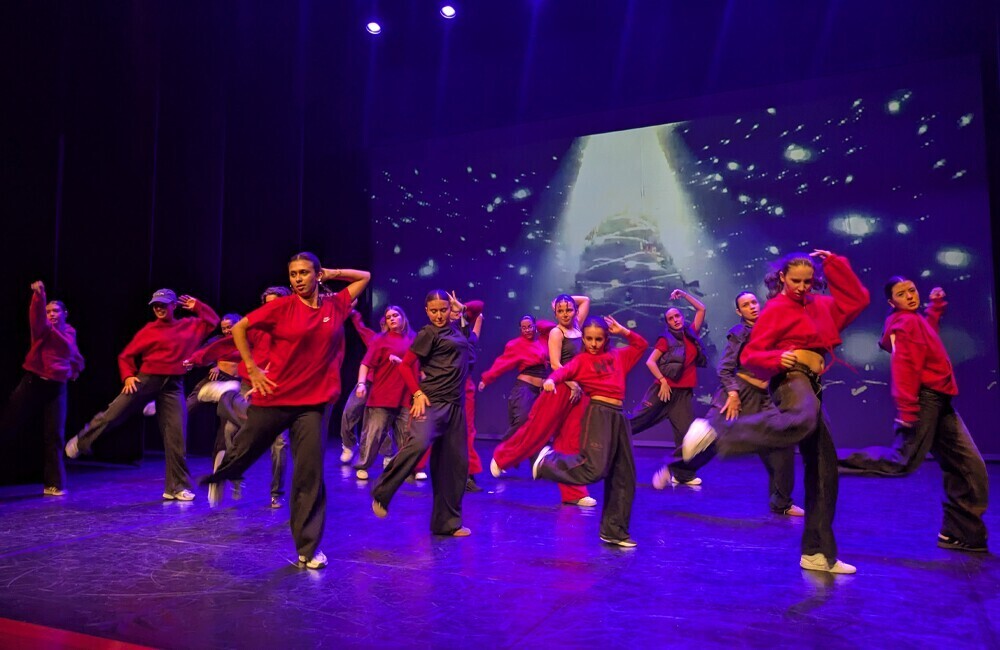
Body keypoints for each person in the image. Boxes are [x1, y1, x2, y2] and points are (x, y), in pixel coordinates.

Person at [682, 250, 869, 574]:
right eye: (796, 281)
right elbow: (752, 355)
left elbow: (857, 301)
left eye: (808, 281)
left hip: (814, 383)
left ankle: (817, 553)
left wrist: (835, 264)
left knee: (824, 469)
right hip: (791, 379)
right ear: (782, 277)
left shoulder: (819, 305)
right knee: (802, 419)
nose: (802, 287)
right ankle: (717, 431)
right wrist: (777, 358)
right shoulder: (776, 309)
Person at [200, 254, 370, 569]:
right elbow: (239, 327)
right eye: (293, 274)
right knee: (247, 447)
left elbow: (365, 276)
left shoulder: (335, 306)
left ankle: (307, 548)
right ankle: (223, 472)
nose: (298, 279)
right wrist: (251, 368)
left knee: (309, 473)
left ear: (317, 275)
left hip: (314, 403)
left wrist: (333, 272)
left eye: (304, 273)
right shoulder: (282, 306)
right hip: (277, 395)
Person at [838, 279, 988, 552]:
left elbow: (927, 338)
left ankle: (959, 533)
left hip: (940, 402)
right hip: (925, 401)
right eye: (901, 294)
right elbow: (905, 368)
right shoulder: (904, 324)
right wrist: (907, 411)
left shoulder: (914, 321)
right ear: (891, 302)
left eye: (912, 291)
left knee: (968, 466)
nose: (909, 296)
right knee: (900, 462)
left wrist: (935, 309)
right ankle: (827, 461)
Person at [66, 289, 219, 501]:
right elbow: (125, 356)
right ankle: (82, 440)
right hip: (147, 380)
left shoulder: (189, 325)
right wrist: (128, 376)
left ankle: (175, 487)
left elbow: (213, 321)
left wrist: (198, 306)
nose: (159, 308)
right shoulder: (149, 330)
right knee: (114, 413)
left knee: (176, 436)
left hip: (173, 385)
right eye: (156, 305)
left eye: (163, 304)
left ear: (174, 306)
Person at [533, 316, 648, 547]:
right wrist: (551, 380)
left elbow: (641, 345)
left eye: (598, 339)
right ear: (583, 339)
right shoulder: (582, 360)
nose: (593, 344)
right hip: (598, 414)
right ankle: (548, 462)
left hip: (618, 417)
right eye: (589, 339)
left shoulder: (618, 356)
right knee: (594, 468)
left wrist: (623, 330)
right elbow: (563, 372)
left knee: (624, 475)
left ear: (606, 339)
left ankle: (614, 532)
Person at [371, 290, 477, 536]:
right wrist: (417, 393)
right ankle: (382, 492)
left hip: (455, 406)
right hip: (432, 403)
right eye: (434, 311)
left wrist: (461, 309)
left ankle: (446, 523)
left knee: (454, 465)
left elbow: (478, 308)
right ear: (427, 312)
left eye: (443, 310)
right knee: (418, 444)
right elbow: (405, 366)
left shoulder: (458, 331)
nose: (439, 315)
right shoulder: (428, 333)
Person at [488, 294, 595, 507]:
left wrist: (562, 299)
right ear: (555, 313)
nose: (565, 314)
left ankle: (574, 493)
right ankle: (502, 457)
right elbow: (555, 364)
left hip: (578, 393)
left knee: (572, 442)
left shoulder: (578, 327)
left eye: (569, 309)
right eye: (560, 311)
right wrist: (572, 384)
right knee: (537, 430)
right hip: (561, 388)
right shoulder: (557, 332)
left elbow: (585, 300)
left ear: (575, 311)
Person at [0, 281, 84, 496]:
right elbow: (36, 315)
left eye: (56, 311)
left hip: (57, 387)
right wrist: (39, 295)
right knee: (7, 424)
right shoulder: (42, 329)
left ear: (65, 313)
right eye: (48, 311)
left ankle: (54, 483)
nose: (51, 314)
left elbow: (74, 355)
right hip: (34, 383)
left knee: (55, 435)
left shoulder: (70, 332)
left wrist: (75, 370)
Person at [632, 289, 708, 487]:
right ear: (667, 323)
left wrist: (683, 294)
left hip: (682, 394)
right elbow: (650, 362)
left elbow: (701, 309)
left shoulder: (691, 333)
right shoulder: (666, 339)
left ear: (682, 317)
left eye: (677, 316)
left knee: (686, 437)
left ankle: (682, 475)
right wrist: (663, 381)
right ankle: (603, 444)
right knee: (635, 422)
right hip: (663, 391)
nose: (675, 320)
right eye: (671, 318)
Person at [353, 305, 416, 481]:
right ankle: (363, 465)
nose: (392, 319)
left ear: (403, 317)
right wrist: (361, 384)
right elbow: (365, 363)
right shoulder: (380, 340)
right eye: (388, 317)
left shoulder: (414, 339)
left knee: (407, 435)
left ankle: (406, 468)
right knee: (374, 434)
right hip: (383, 395)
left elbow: (418, 365)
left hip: (405, 395)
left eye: (395, 315)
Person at [477, 315, 550, 441]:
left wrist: (537, 324)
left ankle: (530, 454)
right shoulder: (516, 345)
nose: (527, 330)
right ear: (520, 329)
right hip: (525, 390)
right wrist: (486, 379)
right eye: (524, 328)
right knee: (521, 422)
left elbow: (550, 327)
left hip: (541, 392)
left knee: (537, 427)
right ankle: (504, 450)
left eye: (530, 326)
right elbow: (502, 363)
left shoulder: (542, 341)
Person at [339, 310, 383, 464]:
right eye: (383, 324)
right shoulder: (375, 339)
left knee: (381, 421)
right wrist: (352, 311)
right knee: (349, 412)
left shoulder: (403, 342)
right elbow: (360, 327)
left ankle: (388, 454)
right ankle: (349, 445)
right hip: (367, 382)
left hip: (385, 386)